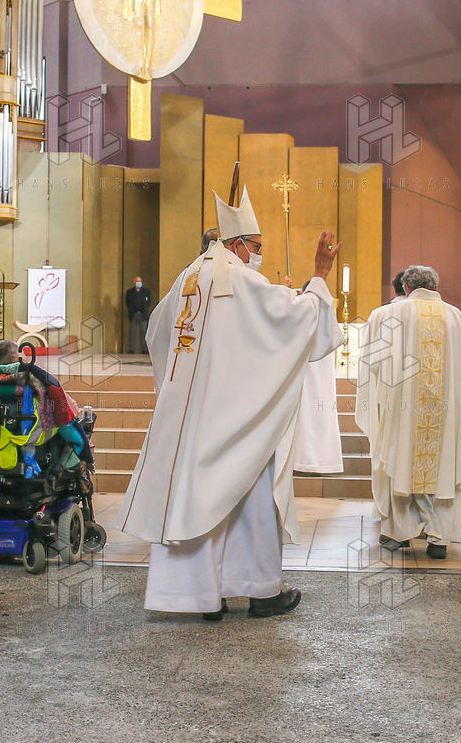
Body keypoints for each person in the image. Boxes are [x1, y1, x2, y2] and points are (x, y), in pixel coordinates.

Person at [117, 188, 341, 620]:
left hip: (190, 416)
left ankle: (206, 597)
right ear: (237, 244)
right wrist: (319, 276)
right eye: (256, 246)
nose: (259, 255)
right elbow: (295, 320)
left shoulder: (189, 276)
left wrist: (181, 385)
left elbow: (158, 331)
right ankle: (259, 591)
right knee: (254, 500)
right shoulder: (238, 279)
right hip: (237, 418)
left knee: (197, 498)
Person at [355, 265, 461, 559]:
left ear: (406, 287)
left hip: (401, 408)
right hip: (447, 411)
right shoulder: (455, 317)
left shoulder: (388, 314)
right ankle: (439, 540)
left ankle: (399, 534)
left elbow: (373, 365)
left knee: (399, 461)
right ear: (435, 286)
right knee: (444, 468)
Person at [125, 275, 152, 356]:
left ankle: (144, 349)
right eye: (137, 281)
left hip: (143, 315)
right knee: (132, 332)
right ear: (134, 282)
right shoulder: (129, 292)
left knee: (143, 332)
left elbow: (148, 302)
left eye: (139, 281)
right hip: (133, 314)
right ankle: (131, 349)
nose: (138, 283)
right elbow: (127, 303)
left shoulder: (146, 291)